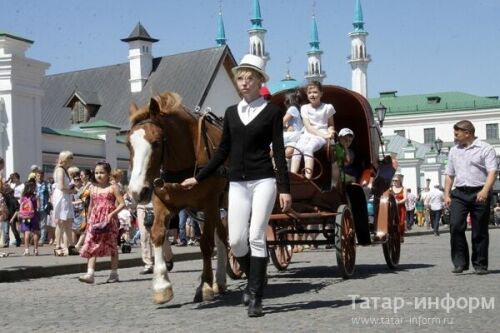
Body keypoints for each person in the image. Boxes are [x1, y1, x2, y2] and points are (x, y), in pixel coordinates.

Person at [181, 54, 292, 317]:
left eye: (249, 78)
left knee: (256, 236)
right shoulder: (231, 113)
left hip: (264, 180)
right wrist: (199, 177)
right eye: (240, 78)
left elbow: (278, 152)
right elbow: (221, 152)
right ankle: (256, 276)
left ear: (259, 81)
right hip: (238, 183)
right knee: (236, 240)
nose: (243, 82)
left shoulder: (273, 113)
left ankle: (255, 296)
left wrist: (285, 188)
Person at [444, 120, 497, 275]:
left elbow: (492, 172)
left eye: (456, 133)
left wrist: (485, 190)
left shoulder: (485, 149)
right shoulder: (454, 150)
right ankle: (460, 262)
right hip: (459, 193)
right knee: (455, 226)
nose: (454, 136)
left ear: (467, 133)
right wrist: (446, 194)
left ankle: (480, 264)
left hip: (480, 192)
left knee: (479, 230)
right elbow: (449, 174)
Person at [78, 161, 125, 284]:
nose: (99, 175)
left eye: (102, 172)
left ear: (108, 174)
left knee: (112, 246)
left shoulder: (113, 187)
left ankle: (114, 274)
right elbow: (91, 205)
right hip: (95, 220)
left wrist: (112, 214)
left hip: (109, 220)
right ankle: (90, 273)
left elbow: (122, 204)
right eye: (97, 172)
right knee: (91, 244)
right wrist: (88, 221)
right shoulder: (92, 188)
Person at [290, 81, 336, 179]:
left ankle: (308, 177)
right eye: (310, 93)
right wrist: (325, 135)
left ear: (321, 93)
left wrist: (331, 131)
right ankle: (292, 176)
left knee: (308, 148)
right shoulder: (304, 108)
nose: (312, 95)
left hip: (320, 136)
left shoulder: (328, 107)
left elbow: (331, 125)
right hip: (308, 134)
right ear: (307, 94)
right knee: (297, 149)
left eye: (315, 92)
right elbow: (308, 126)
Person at [135, 201, 174, 274]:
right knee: (144, 236)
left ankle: (168, 257)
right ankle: (148, 265)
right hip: (141, 206)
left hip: (157, 205)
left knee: (160, 235)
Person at [52, 151, 78, 256]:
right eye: (71, 158)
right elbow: (61, 187)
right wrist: (72, 191)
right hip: (62, 197)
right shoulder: (60, 170)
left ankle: (71, 246)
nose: (72, 160)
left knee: (68, 222)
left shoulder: (64, 170)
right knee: (61, 222)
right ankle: (57, 246)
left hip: (65, 197)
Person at [18, 180, 40, 255]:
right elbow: (38, 207)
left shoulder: (23, 197)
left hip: (24, 217)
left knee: (26, 232)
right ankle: (36, 250)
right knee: (35, 232)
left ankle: (27, 250)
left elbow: (20, 206)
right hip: (34, 216)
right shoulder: (35, 196)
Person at [282, 89, 303, 159]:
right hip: (296, 138)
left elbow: (282, 121)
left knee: (272, 146)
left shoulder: (292, 108)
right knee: (288, 152)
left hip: (293, 136)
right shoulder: (299, 108)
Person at [35, 170, 51, 245]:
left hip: (43, 207)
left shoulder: (47, 184)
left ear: (43, 176)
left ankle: (42, 239)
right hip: (34, 207)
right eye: (38, 176)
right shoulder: (33, 184)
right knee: (35, 223)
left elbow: (51, 194)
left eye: (41, 176)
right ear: (36, 176)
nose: (39, 177)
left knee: (43, 224)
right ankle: (35, 238)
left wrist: (49, 203)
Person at [391, 174, 407, 241]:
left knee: (401, 222)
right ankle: (393, 234)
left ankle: (401, 235)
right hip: (392, 207)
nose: (394, 182)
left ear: (399, 181)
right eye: (393, 180)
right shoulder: (390, 188)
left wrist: (399, 202)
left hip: (401, 208)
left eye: (396, 180)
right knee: (392, 222)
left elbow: (405, 198)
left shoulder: (403, 188)